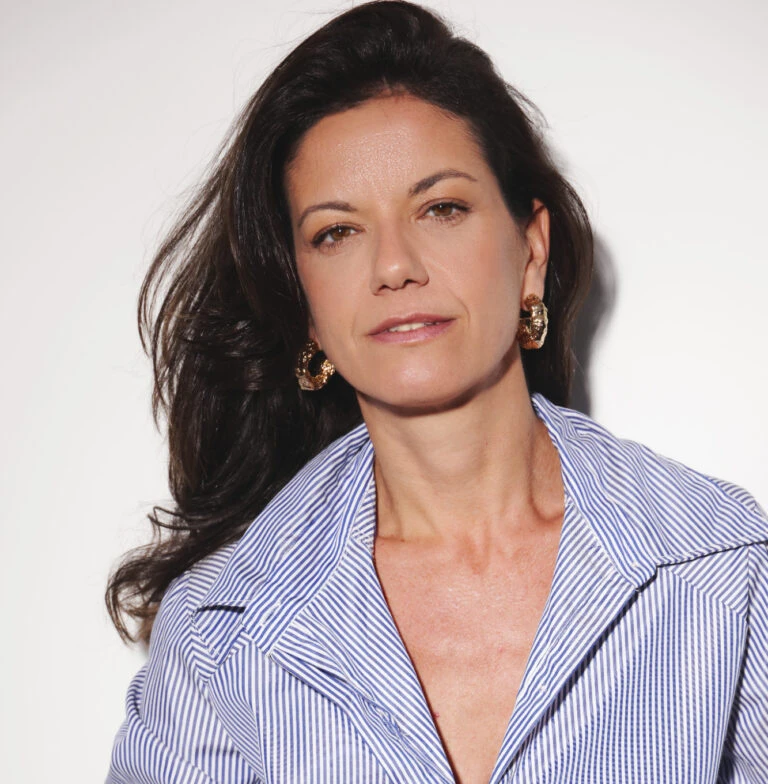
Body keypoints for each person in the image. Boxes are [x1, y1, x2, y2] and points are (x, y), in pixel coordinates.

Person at [105, 2, 768, 782]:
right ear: (303, 299)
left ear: (530, 252)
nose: (394, 265)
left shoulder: (716, 561)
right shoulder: (223, 624)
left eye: (441, 208)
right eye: (336, 232)